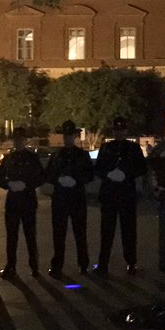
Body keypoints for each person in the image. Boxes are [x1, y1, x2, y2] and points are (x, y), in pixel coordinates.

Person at [94, 115, 147, 276]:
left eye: (121, 130)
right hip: (110, 194)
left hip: (126, 194)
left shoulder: (133, 148)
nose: (119, 133)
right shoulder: (106, 148)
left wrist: (126, 174)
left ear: (125, 131)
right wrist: (109, 174)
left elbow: (141, 168)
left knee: (129, 231)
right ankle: (103, 264)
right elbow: (98, 168)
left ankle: (131, 262)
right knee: (106, 231)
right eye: (117, 130)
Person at [0, 127, 45, 278]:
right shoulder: (9, 158)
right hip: (13, 202)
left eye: (21, 140)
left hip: (27, 200)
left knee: (30, 235)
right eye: (16, 140)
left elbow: (41, 177)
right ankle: (11, 265)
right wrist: (9, 184)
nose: (18, 142)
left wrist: (26, 184)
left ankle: (34, 266)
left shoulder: (32, 158)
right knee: (11, 236)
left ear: (25, 141)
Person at [46, 119, 95, 277]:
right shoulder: (56, 156)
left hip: (76, 198)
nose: (67, 138)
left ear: (74, 136)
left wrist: (76, 180)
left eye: (70, 135)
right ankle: (57, 264)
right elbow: (48, 174)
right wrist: (58, 179)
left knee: (80, 233)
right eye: (65, 135)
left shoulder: (82, 155)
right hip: (60, 199)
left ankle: (83, 264)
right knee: (58, 234)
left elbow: (89, 175)